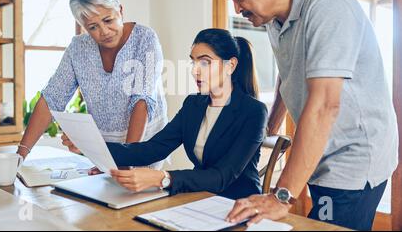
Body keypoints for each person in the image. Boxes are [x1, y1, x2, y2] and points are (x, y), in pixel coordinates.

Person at [216, 0, 398, 230]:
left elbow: (326, 105)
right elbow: (287, 75)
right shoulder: (276, 18)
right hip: (323, 149)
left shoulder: (327, 7)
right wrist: (269, 128)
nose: (237, 9)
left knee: (325, 225)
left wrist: (282, 196)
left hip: (353, 155)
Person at [0, 0, 168, 171]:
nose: (104, 31)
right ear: (82, 26)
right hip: (105, 148)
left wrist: (125, 163)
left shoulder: (145, 39)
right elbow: (51, 99)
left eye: (108, 20)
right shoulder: (78, 48)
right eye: (92, 27)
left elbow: (141, 101)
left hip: (145, 142)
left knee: (141, 197)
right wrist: (19, 156)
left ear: (120, 10)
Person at [62, 29, 267, 199]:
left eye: (205, 62)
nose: (195, 71)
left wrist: (162, 177)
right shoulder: (193, 105)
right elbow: (152, 149)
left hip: (239, 203)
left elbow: (221, 176)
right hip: (199, 197)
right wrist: (91, 146)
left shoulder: (253, 112)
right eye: (193, 62)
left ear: (230, 65)